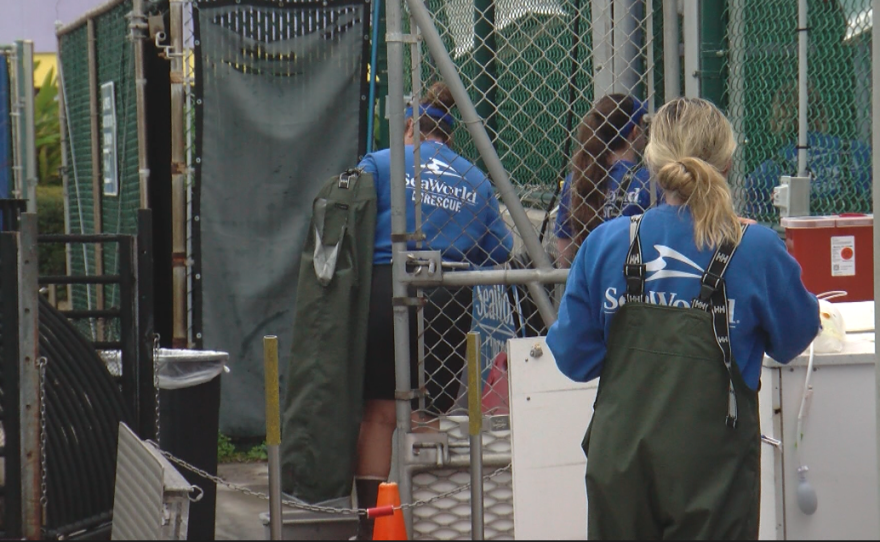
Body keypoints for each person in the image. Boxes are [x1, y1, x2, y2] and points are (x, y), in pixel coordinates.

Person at [546, 97, 820, 539]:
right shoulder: (757, 248)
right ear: (727, 163)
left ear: (652, 162)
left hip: (622, 468)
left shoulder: (605, 244)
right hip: (714, 471)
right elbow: (794, 338)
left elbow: (573, 359)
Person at [353, 81, 513, 539]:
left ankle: (373, 524)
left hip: (384, 288)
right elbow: (498, 250)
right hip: (446, 296)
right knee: (426, 416)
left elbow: (353, 219)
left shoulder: (382, 164)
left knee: (379, 414)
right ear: (450, 135)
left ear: (410, 126)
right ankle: (426, 521)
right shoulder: (474, 179)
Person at [554, 94, 656, 266]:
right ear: (635, 132)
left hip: (590, 280)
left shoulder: (576, 180)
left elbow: (564, 256)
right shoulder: (647, 180)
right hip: (636, 282)